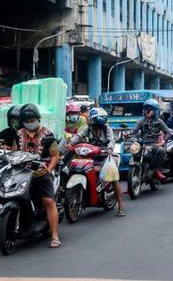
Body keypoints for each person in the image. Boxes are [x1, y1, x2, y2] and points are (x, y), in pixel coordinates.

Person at [14, 103, 61, 248]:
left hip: (40, 174)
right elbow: (14, 151)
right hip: (21, 174)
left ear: (38, 119)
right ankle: (9, 232)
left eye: (32, 120)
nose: (30, 124)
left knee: (49, 202)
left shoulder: (48, 135)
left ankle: (54, 235)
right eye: (27, 121)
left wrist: (48, 170)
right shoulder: (18, 134)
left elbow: (55, 155)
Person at [70, 107, 126, 217]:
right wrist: (70, 142)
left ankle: (120, 205)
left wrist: (109, 149)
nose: (101, 122)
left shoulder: (107, 129)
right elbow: (78, 137)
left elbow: (111, 141)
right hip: (90, 156)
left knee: (113, 179)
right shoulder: (88, 128)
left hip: (104, 157)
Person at [130, 99, 169, 181]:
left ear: (155, 111)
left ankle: (156, 170)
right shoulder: (141, 122)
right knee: (134, 151)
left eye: (149, 109)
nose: (147, 111)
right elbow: (134, 131)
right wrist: (128, 133)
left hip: (154, 144)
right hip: (143, 145)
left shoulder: (159, 122)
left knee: (161, 151)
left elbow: (168, 132)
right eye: (145, 109)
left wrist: (163, 141)